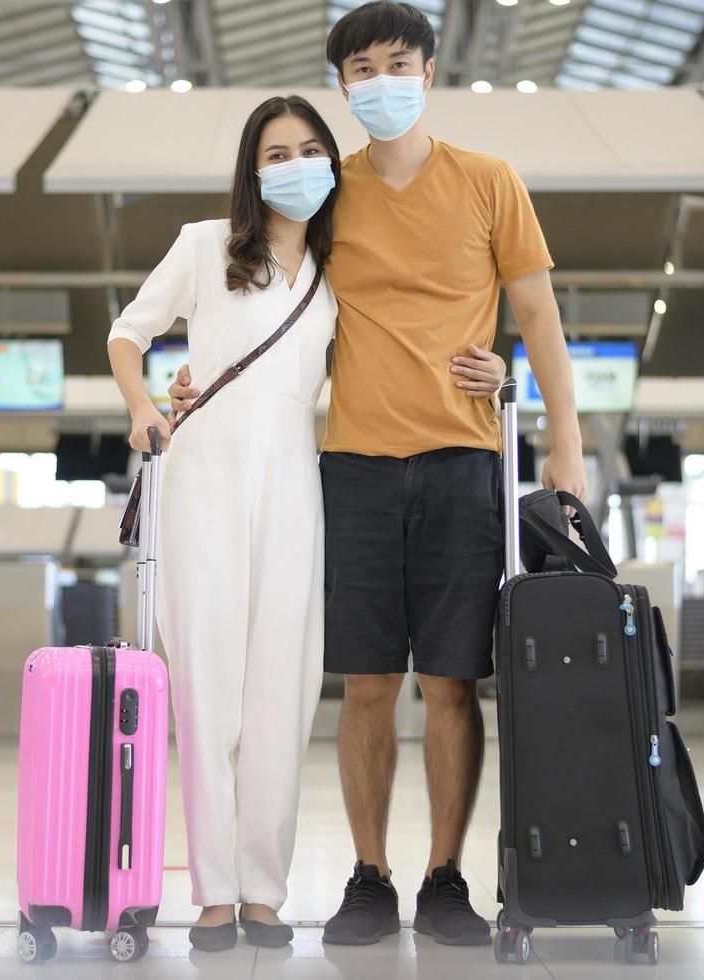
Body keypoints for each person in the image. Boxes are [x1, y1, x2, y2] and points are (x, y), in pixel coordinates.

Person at [172, 0, 588, 950]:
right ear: (344, 88)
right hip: (352, 467)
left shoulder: (490, 182)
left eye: (397, 63)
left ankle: (445, 878)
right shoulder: (325, 195)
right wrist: (194, 373)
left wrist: (560, 437)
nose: (381, 82)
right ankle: (369, 877)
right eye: (361, 70)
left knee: (450, 682)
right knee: (366, 685)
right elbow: (258, 292)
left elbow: (538, 315)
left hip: (460, 464)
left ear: (430, 72)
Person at [107, 95, 508, 953]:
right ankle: (214, 895)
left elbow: (410, 339)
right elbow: (126, 333)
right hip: (203, 477)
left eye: (310, 151)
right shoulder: (203, 243)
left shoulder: (338, 272)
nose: (296, 167)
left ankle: (264, 892)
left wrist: (494, 365)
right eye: (276, 153)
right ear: (252, 171)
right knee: (207, 690)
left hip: (298, 482)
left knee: (281, 696)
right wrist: (146, 404)